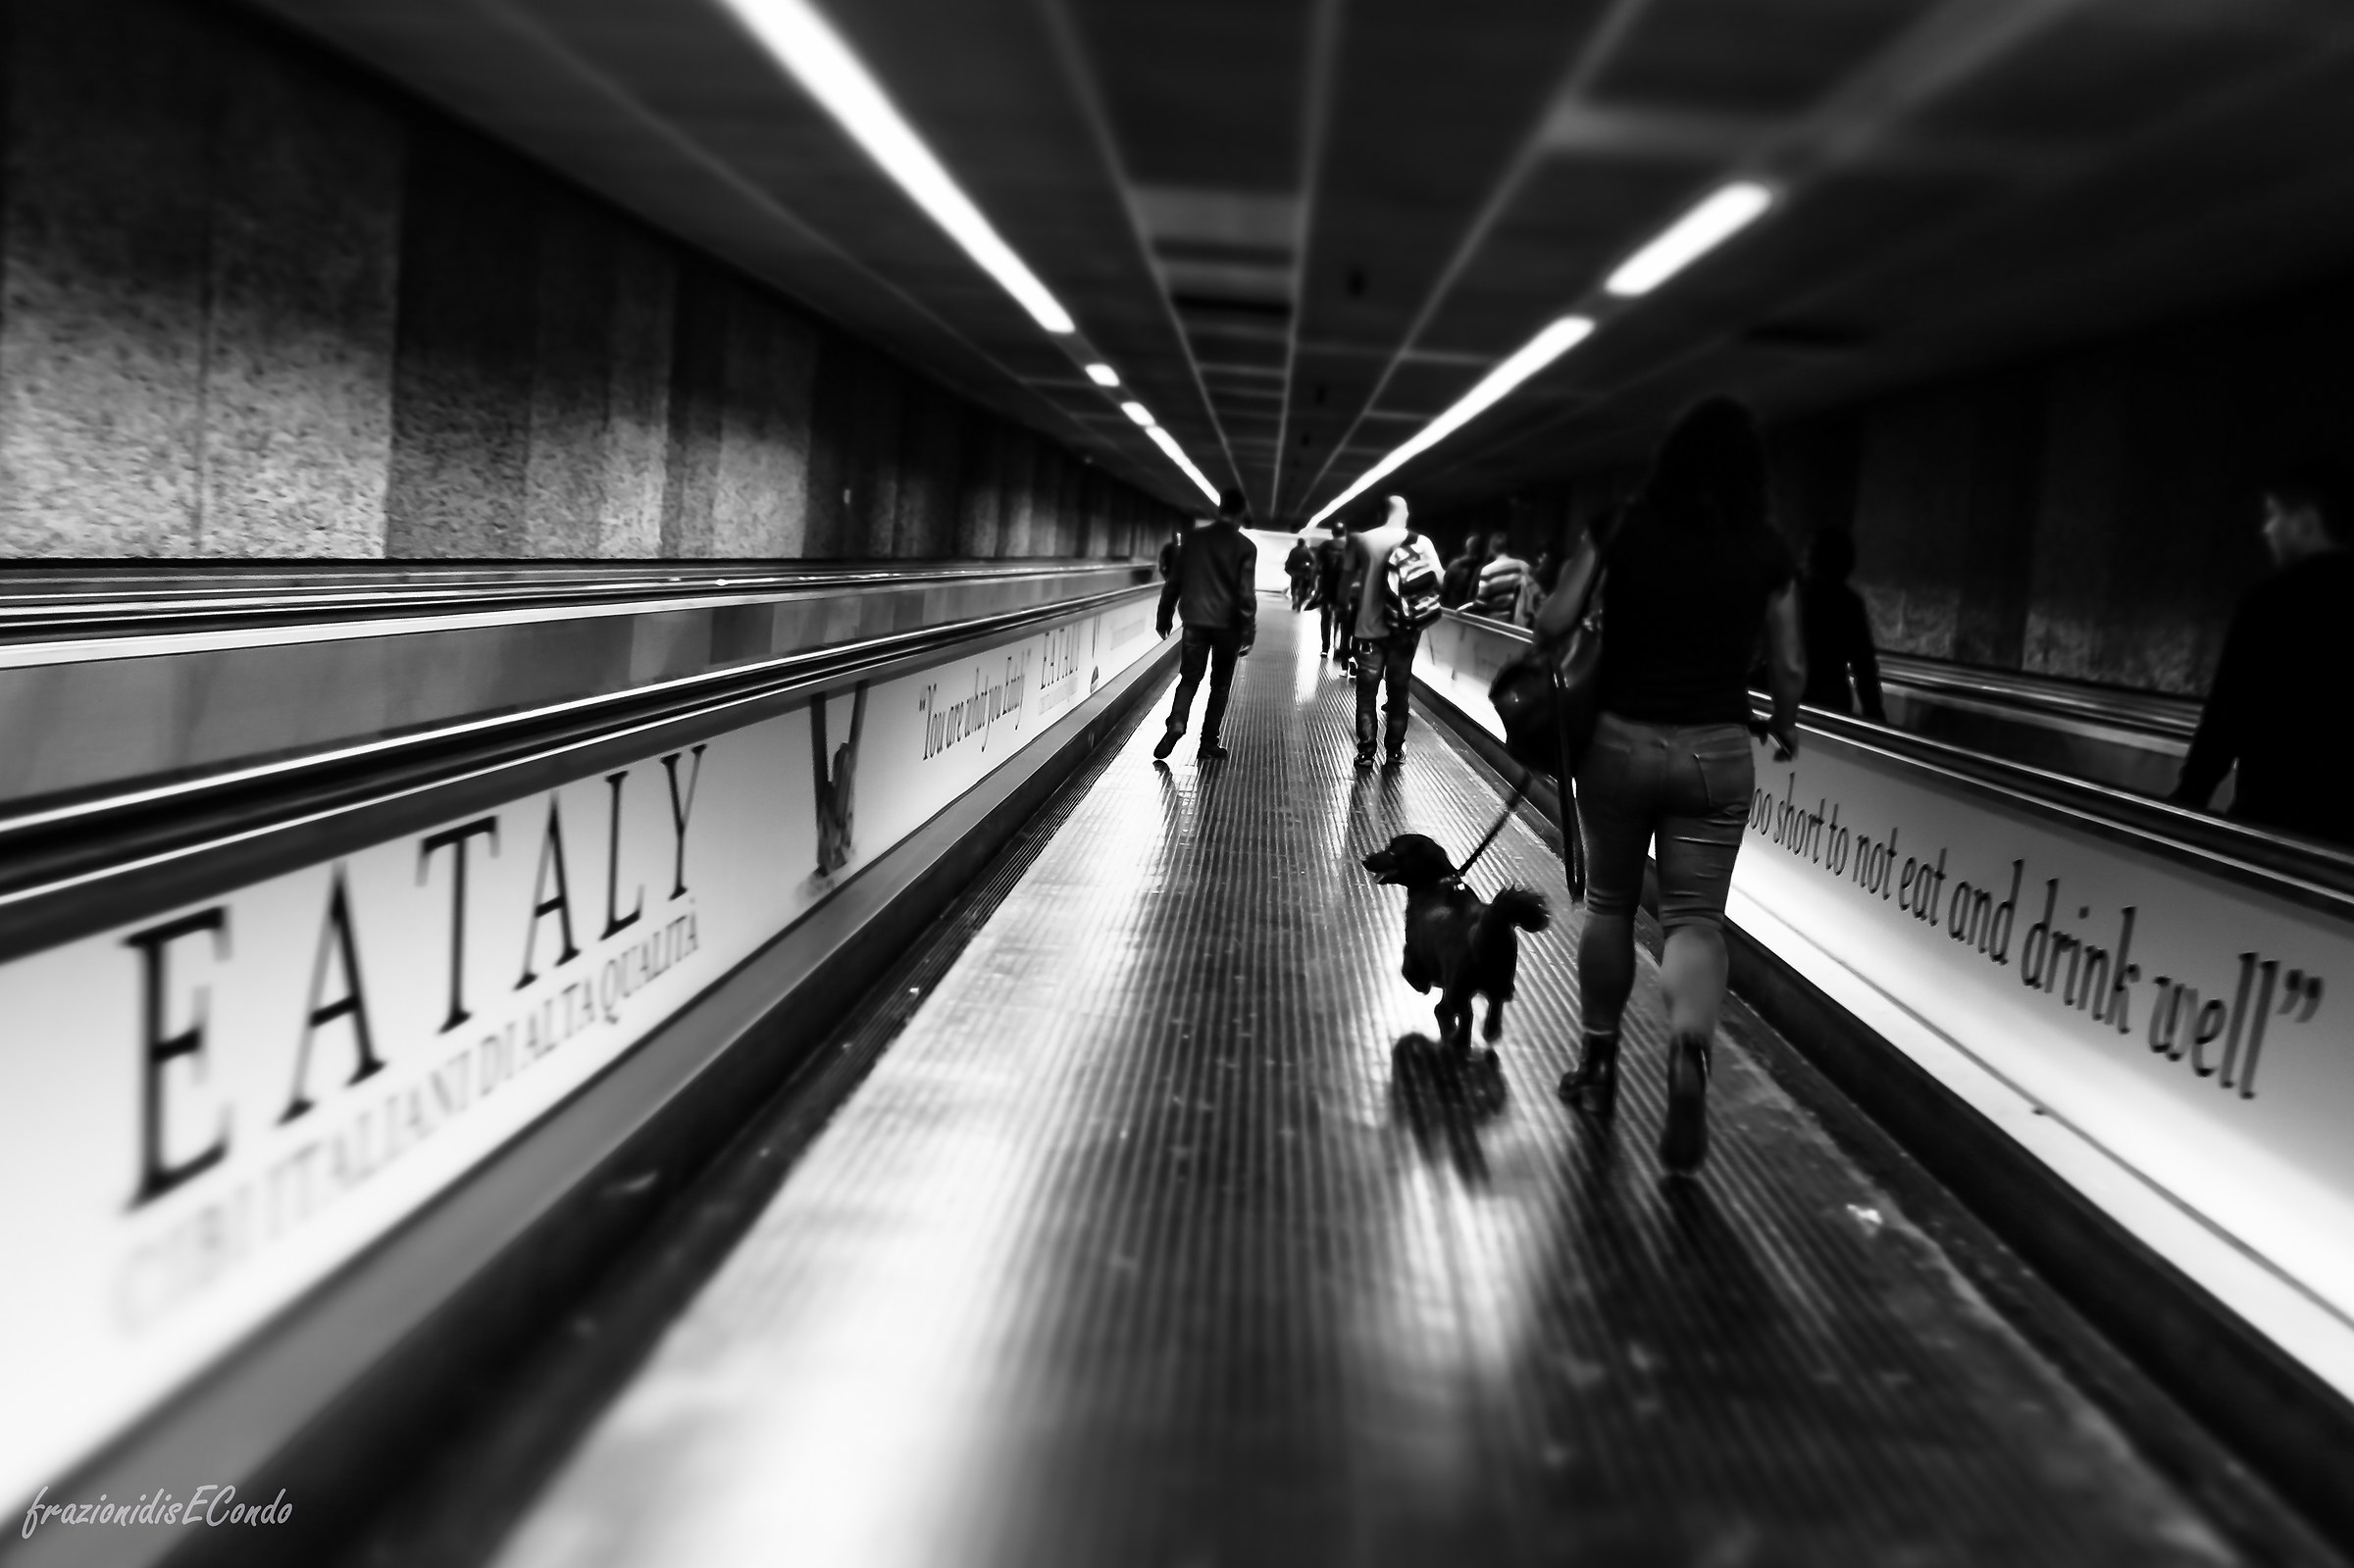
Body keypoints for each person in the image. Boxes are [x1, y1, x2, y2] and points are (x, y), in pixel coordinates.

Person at [1534, 397, 1804, 1175]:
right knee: (1693, 919)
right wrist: (1783, 724)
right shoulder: (1767, 548)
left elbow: (1556, 616)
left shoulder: (1620, 525)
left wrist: (1573, 640)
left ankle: (1598, 1063)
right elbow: (1788, 663)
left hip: (1619, 740)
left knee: (1614, 904)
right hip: (1717, 749)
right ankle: (1689, 1051)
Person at [2171, 463, 2354, 845]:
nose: (2266, 529)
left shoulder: (2272, 602)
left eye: (2274, 515)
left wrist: (2188, 800)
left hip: (2271, 819)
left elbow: (2227, 715)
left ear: (2305, 521)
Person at [1154, 489, 1257, 762]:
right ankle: (1208, 743)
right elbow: (1245, 593)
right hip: (1229, 626)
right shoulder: (1246, 547)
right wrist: (1249, 629)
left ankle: (1177, 722)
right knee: (1220, 685)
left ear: (1220, 507)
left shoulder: (1193, 540)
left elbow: (1174, 581)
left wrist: (1164, 615)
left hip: (1195, 621)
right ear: (1241, 512)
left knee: (1189, 678)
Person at [1344, 494, 1428, 770]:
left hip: (1368, 628)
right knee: (1398, 690)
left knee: (1367, 692)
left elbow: (1347, 581)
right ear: (1404, 512)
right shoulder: (1421, 541)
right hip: (1404, 629)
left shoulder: (1362, 540)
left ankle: (1366, 752)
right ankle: (1394, 751)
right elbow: (1437, 577)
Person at [1798, 531, 1885, 721]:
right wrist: (1874, 713)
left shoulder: (1793, 598)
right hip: (1831, 702)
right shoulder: (1849, 604)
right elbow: (1865, 667)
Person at [1313, 528, 1353, 666]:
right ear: (1345, 533)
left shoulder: (1325, 545)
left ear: (1333, 533)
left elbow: (1316, 566)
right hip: (1344, 588)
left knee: (1326, 618)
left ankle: (1325, 648)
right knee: (1343, 621)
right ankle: (1339, 650)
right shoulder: (1350, 546)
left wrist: (1315, 586)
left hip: (1327, 586)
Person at [1473, 537, 1529, 619]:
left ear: (1491, 549)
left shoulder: (1487, 570)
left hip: (1495, 620)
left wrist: (1468, 608)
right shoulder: (1524, 566)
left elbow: (1481, 602)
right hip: (1519, 620)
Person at [1441, 533, 1487, 608]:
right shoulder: (1483, 568)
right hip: (1471, 611)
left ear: (1467, 547)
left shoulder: (1454, 565)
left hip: (1453, 609)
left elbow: (1444, 591)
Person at [1285, 533, 1317, 611]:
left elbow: (1289, 562)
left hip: (1296, 572)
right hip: (1303, 573)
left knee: (1294, 587)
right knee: (1305, 589)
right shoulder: (1307, 551)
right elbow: (1313, 561)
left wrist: (1288, 569)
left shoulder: (1294, 551)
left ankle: (1295, 600)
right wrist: (1310, 568)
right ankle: (1299, 602)